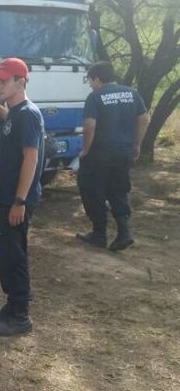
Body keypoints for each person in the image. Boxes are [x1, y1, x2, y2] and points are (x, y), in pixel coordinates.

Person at [0, 58, 45, 336]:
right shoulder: (15, 112)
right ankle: (12, 304)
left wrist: (19, 200)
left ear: (20, 82)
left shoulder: (28, 114)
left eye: (3, 80)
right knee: (5, 253)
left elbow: (30, 159)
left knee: (14, 254)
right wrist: (5, 117)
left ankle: (21, 315)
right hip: (4, 196)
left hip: (15, 199)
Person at [76, 61, 149, 251]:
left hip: (100, 153)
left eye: (91, 81)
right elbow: (143, 119)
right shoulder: (132, 93)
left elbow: (90, 126)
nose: (91, 85)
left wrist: (85, 150)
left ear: (97, 79)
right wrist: (137, 144)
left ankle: (99, 234)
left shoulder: (95, 96)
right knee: (118, 190)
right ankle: (124, 233)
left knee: (91, 190)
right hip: (123, 152)